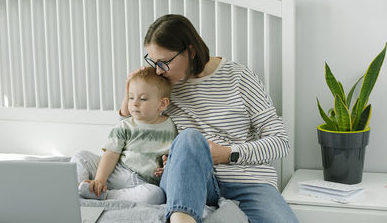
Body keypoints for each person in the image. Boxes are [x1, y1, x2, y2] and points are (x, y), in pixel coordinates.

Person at [120, 14, 299, 223]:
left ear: (191, 51)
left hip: (248, 182)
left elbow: (280, 142)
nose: (158, 70)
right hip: (192, 181)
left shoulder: (239, 77)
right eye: (152, 61)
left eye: (164, 62)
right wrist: (133, 85)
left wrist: (227, 154)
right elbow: (130, 125)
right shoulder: (163, 87)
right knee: (189, 138)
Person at [71, 67, 177, 205]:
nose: (134, 103)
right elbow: (110, 155)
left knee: (155, 195)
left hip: (141, 182)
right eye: (131, 97)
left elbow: (173, 155)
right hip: (115, 170)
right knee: (82, 156)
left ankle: (105, 195)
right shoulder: (125, 126)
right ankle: (79, 188)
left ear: (162, 104)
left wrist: (167, 167)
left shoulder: (172, 128)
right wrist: (100, 180)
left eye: (143, 98)